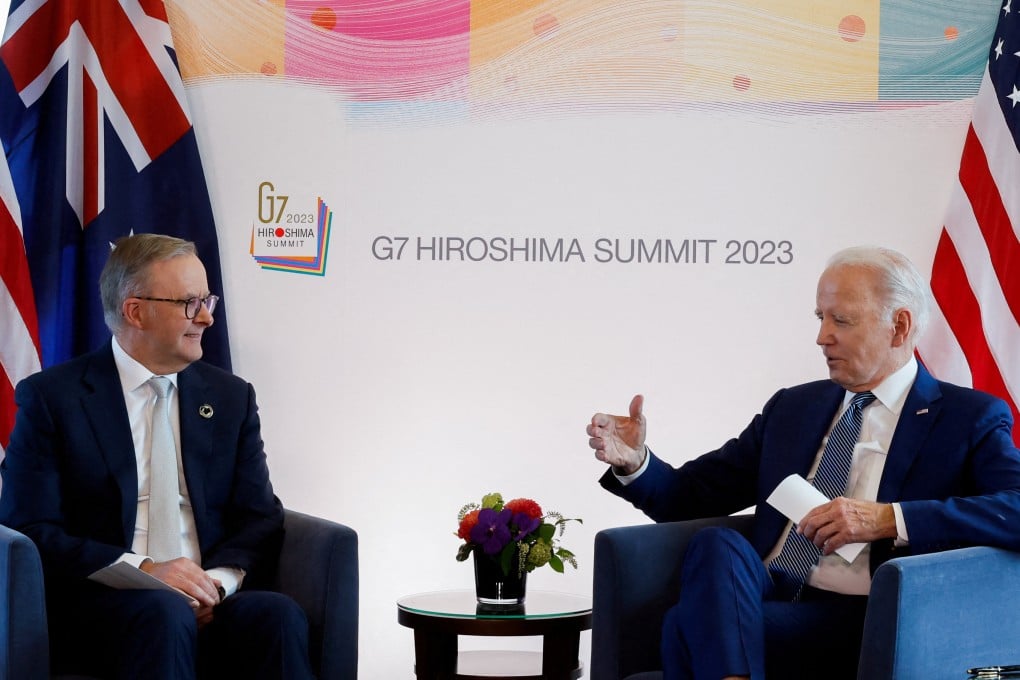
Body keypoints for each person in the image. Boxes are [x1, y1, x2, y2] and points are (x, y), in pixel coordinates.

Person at [586, 245, 1020, 680]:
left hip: (865, 616)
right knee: (716, 543)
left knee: (683, 625)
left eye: (842, 320)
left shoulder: (968, 418)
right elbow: (687, 497)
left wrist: (888, 519)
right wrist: (634, 461)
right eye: (821, 318)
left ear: (899, 326)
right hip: (763, 592)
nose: (822, 336)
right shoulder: (794, 408)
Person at [0, 234, 314, 679]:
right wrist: (147, 572)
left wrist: (214, 587)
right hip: (107, 601)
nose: (205, 317)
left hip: (211, 595)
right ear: (136, 311)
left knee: (277, 616)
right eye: (189, 303)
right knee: (163, 614)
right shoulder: (54, 399)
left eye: (207, 300)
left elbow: (259, 515)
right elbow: (29, 525)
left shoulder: (230, 398)